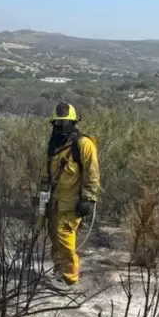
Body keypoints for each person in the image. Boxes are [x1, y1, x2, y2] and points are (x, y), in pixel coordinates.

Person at [44, 102, 100, 290]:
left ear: (73, 123)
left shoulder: (83, 145)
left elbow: (92, 173)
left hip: (71, 204)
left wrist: (88, 198)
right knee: (55, 239)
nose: (60, 127)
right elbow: (46, 173)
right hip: (54, 202)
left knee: (65, 239)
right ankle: (59, 272)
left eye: (64, 123)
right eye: (57, 123)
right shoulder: (54, 145)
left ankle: (69, 279)